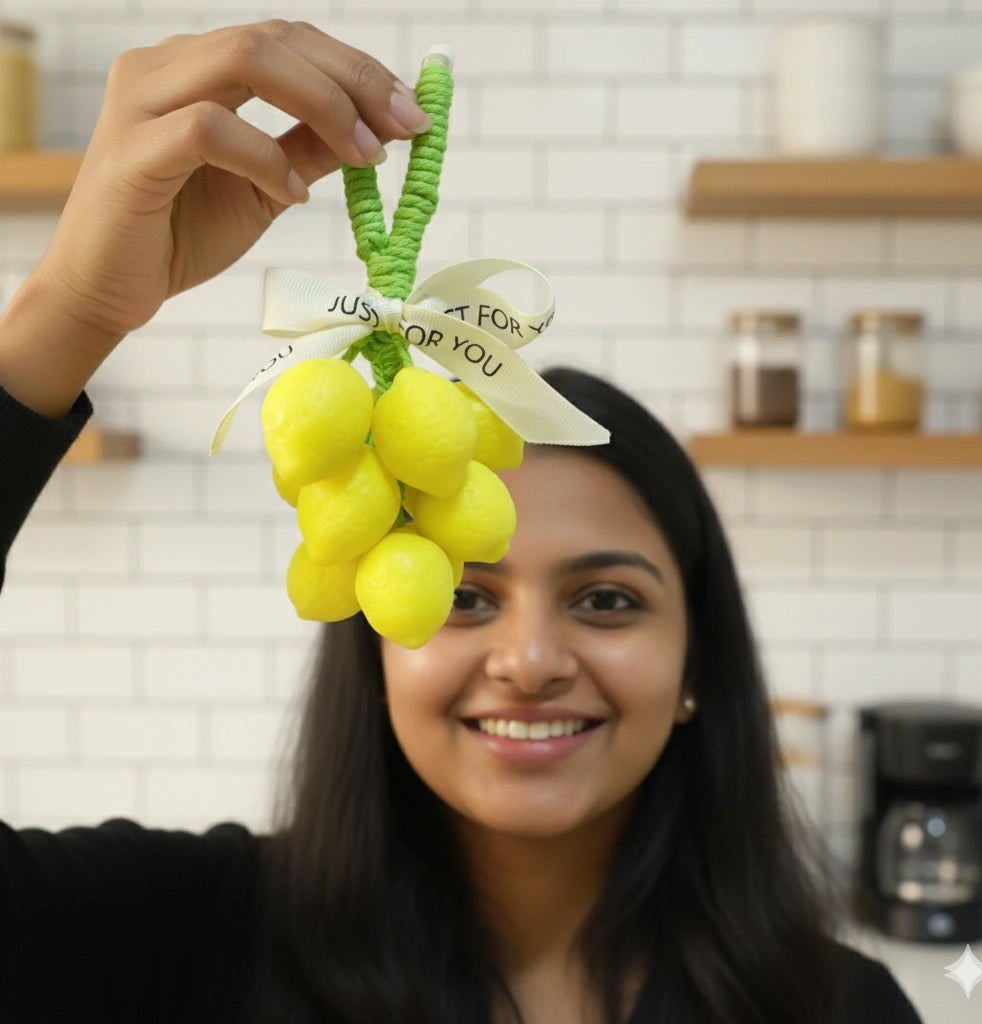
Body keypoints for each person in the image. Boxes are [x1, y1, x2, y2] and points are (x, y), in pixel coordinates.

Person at [0, 21, 925, 1024]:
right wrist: (71, 308)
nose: (529, 659)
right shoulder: (181, 940)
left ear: (697, 656)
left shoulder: (839, 1005)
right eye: (465, 595)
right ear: (377, 644)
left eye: (607, 599)